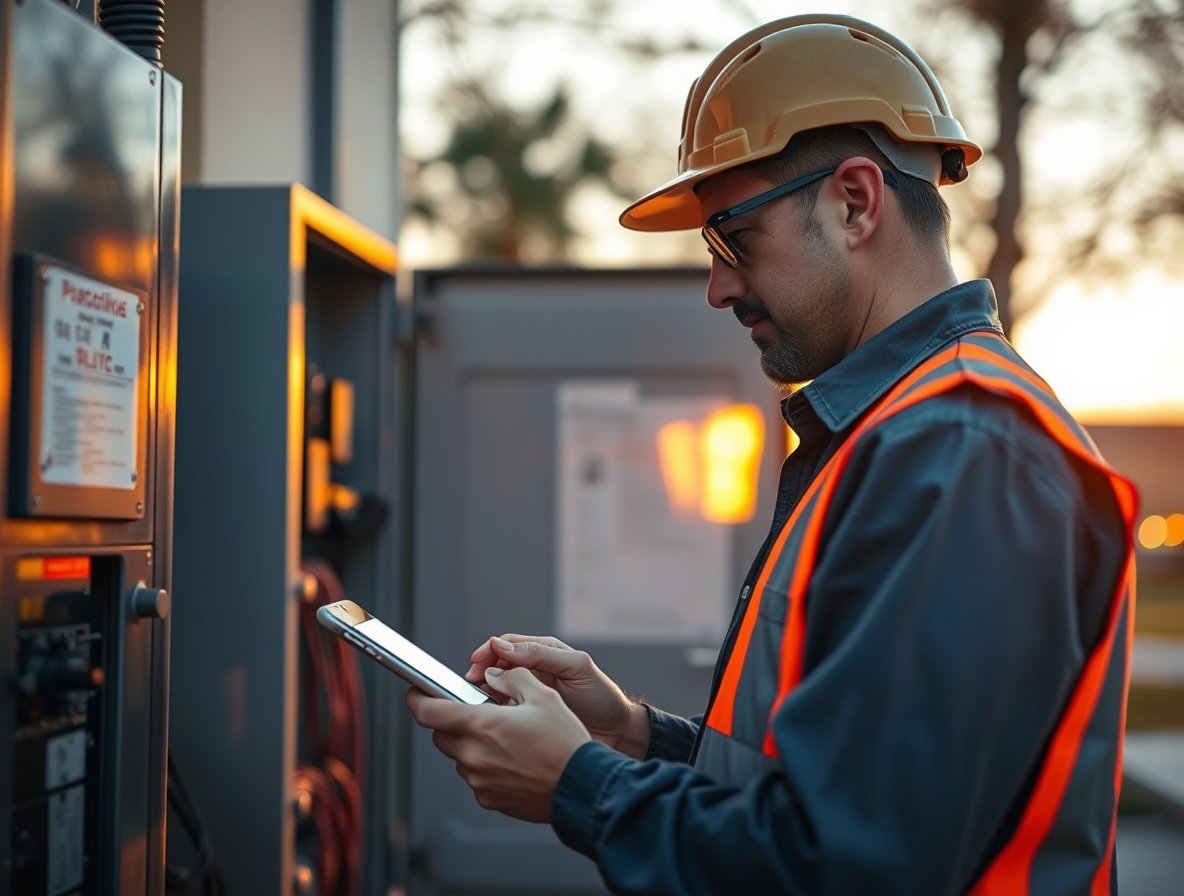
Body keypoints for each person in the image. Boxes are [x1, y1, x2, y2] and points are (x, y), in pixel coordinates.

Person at [407, 14, 1138, 895]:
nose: (717, 287)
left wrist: (578, 785)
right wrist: (635, 734)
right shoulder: (903, 434)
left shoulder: (957, 452)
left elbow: (855, 865)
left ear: (856, 203)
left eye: (734, 242)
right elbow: (831, 790)